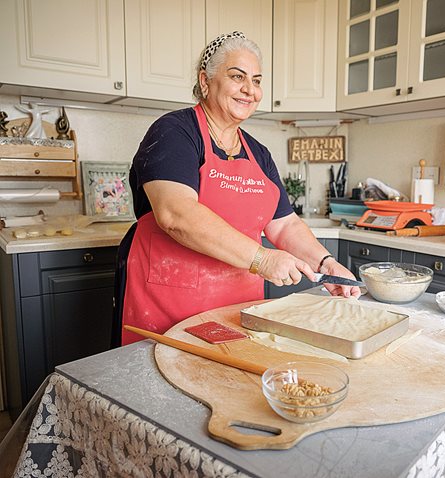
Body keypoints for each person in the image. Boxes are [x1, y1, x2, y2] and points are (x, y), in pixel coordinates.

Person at [115, 31, 360, 346]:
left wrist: (327, 265)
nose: (250, 89)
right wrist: (264, 259)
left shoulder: (258, 152)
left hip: (237, 308)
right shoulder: (174, 132)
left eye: (257, 80)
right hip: (169, 305)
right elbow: (176, 214)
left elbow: (284, 224)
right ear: (205, 81)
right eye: (237, 76)